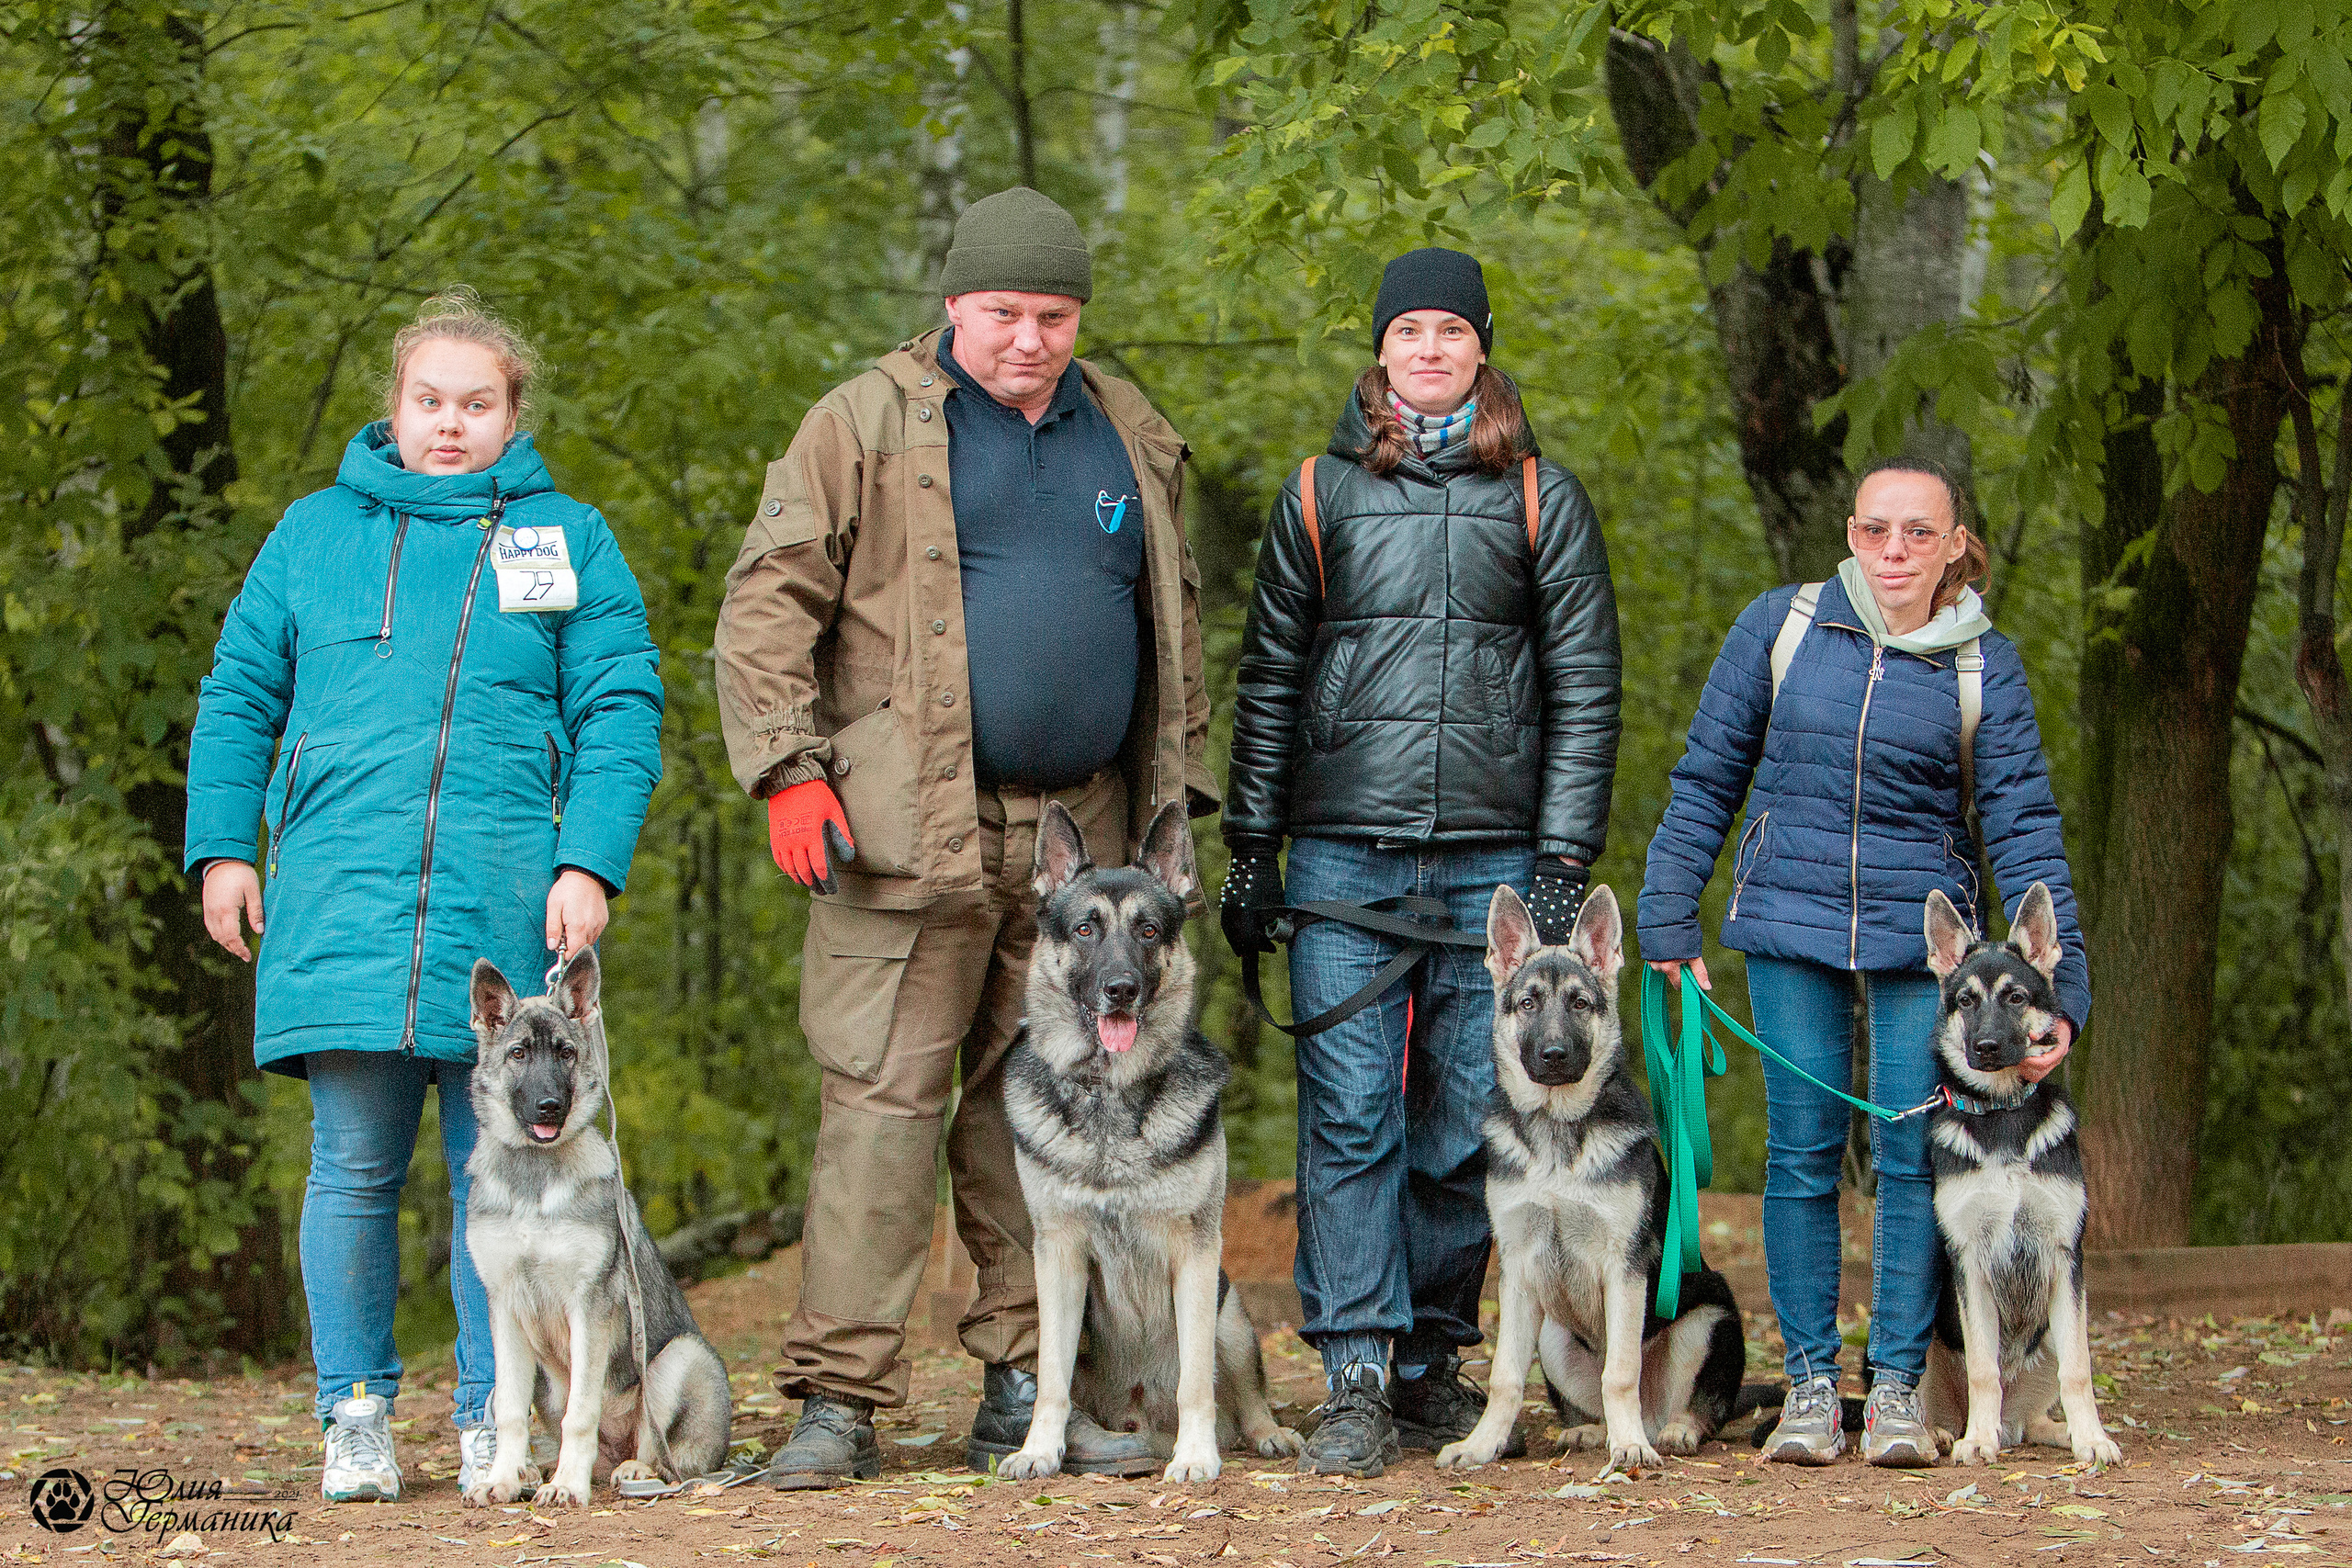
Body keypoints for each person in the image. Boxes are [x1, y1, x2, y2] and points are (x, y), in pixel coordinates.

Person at [713, 186, 1216, 1488]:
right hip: (898, 826)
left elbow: (1178, 623)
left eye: (1054, 313)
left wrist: (1185, 794)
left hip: (1085, 841)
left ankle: (1025, 1382)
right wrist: (785, 769)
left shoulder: (1128, 429)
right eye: (1003, 312)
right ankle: (839, 1399)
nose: (1029, 338)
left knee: (1045, 1102)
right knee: (882, 1101)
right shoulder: (865, 421)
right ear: (953, 304)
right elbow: (769, 599)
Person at [186, 288, 665, 1503]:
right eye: (429, 401)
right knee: (349, 1163)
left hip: (502, 901)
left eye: (477, 403)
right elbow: (240, 688)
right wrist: (223, 848)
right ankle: (354, 1411)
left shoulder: (568, 535)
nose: (450, 424)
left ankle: (481, 1416)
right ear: (394, 407)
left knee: (486, 1174)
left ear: (513, 413)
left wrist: (587, 860)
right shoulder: (310, 533)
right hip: (336, 896)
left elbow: (619, 705)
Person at [1218, 247, 1623, 1477]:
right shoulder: (1315, 493)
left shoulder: (1545, 498)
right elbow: (1271, 678)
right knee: (1348, 1116)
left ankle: (1428, 1360)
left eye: (1453, 330)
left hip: (1493, 861)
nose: (1432, 350)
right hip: (1342, 851)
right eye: (1411, 331)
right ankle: (1349, 1368)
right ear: (1380, 349)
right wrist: (1250, 847)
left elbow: (1587, 689)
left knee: (1460, 1120)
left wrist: (1561, 856)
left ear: (1482, 347)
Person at [1638, 457, 2091, 1468]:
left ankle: (1890, 1390)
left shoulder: (1983, 664)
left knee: (1903, 1163)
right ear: (1850, 533)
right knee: (1797, 1159)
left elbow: (2023, 829)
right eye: (1877, 530)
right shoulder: (1782, 624)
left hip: (1916, 949)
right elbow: (1707, 770)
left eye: (1919, 534)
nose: (1895, 551)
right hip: (1786, 925)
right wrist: (1667, 912)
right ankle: (1807, 1384)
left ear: (1952, 545)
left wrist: (2065, 1004)